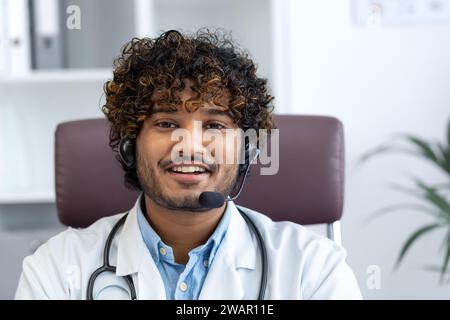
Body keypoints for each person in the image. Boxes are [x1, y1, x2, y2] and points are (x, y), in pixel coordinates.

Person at [15, 29, 362, 300]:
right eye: (166, 123)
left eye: (215, 125)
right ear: (129, 143)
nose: (190, 146)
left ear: (247, 149)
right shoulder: (58, 270)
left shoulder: (314, 269)